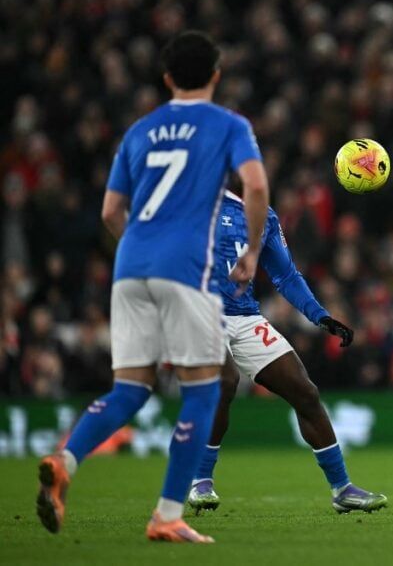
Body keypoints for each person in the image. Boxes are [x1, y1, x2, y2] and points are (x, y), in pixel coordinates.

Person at [36, 31, 269, 542]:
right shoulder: (229, 125)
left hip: (130, 265)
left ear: (166, 78)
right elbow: (254, 185)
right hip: (184, 268)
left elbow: (109, 212)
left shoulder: (139, 131)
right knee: (204, 391)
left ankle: (66, 459)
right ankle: (166, 516)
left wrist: (141, 249)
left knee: (130, 389)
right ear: (216, 75)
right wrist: (252, 251)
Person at [185, 190, 388, 514]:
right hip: (198, 311)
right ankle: (200, 480)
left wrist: (319, 315)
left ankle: (342, 489)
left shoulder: (262, 214)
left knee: (304, 391)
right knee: (225, 381)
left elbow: (286, 275)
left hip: (244, 315)